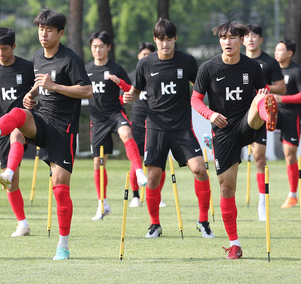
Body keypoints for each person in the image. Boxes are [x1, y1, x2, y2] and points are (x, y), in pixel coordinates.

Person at [0, 8, 92, 260]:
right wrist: (32, 93)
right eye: (41, 29)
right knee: (18, 117)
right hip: (41, 118)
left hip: (63, 129)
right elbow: (39, 85)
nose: (43, 34)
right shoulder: (37, 55)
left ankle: (63, 245)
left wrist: (53, 86)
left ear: (60, 33)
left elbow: (87, 91)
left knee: (60, 189)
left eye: (49, 30)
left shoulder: (70, 59)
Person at [191, 20, 278, 260]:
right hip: (223, 130)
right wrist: (211, 114)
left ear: (241, 40)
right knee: (227, 188)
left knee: (261, 98)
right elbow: (195, 99)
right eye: (223, 38)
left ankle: (265, 113)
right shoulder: (208, 68)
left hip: (248, 123)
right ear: (220, 41)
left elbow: (264, 88)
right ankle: (235, 244)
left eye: (232, 38)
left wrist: (264, 98)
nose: (227, 42)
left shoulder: (252, 67)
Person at [124, 19, 214, 240]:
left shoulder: (187, 62)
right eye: (161, 40)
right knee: (153, 176)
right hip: (155, 127)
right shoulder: (145, 64)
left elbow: (200, 88)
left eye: (169, 39)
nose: (165, 44)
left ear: (175, 39)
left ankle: (203, 221)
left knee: (200, 169)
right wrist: (129, 96)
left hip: (182, 127)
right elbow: (135, 92)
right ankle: (155, 224)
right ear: (155, 40)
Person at [0, 27, 35, 236]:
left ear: (14, 47)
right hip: (0, 126)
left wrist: (33, 100)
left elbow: (37, 91)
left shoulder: (28, 67)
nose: (0, 53)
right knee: (12, 184)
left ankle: (7, 171)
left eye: (5, 49)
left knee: (17, 133)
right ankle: (23, 223)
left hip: (25, 121)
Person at [85, 31, 147, 220]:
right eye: (94, 46)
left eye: (101, 46)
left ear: (108, 48)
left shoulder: (116, 69)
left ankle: (138, 171)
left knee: (126, 133)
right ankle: (102, 203)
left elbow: (132, 91)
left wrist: (120, 83)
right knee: (99, 162)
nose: (98, 50)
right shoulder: (85, 70)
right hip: (96, 120)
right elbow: (78, 89)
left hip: (115, 114)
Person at [244, 24, 286, 220]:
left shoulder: (269, 62)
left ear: (260, 40)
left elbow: (282, 88)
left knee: (259, 158)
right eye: (247, 36)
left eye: (255, 36)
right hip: (237, 114)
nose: (250, 39)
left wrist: (263, 88)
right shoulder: (237, 61)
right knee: (230, 161)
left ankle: (262, 202)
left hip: (260, 114)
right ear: (241, 40)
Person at [128, 42, 167, 208]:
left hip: (156, 124)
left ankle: (157, 195)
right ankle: (135, 196)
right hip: (137, 123)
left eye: (148, 55)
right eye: (142, 54)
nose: (145, 58)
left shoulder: (159, 75)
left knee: (159, 163)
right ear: (138, 56)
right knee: (136, 162)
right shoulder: (131, 76)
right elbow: (124, 94)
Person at [273, 39, 301, 209]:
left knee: (289, 154)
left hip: (290, 115)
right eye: (276, 49)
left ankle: (292, 195)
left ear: (290, 53)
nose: (276, 52)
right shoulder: (271, 70)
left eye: (280, 50)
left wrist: (283, 98)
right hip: (273, 113)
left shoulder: (297, 72)